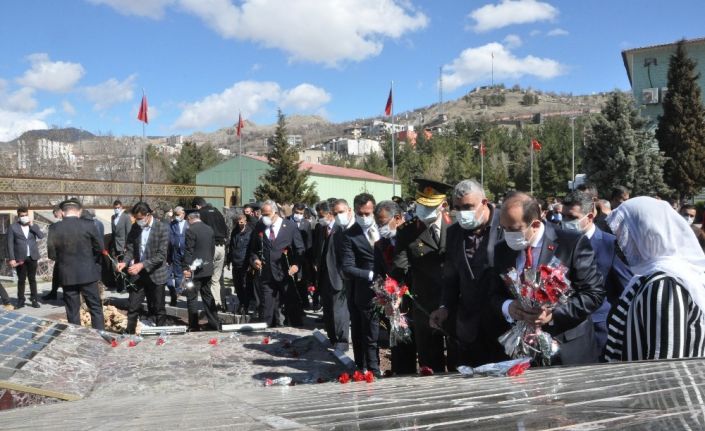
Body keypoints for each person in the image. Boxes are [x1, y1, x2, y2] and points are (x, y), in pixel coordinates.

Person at [490, 192, 605, 365]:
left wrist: (552, 315)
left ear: (535, 224)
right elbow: (493, 293)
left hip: (568, 350)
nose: (507, 235)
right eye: (503, 228)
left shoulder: (571, 243)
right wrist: (508, 307)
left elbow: (593, 294)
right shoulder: (502, 249)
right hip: (522, 352)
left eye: (513, 229)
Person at [604, 197, 705, 361]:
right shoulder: (651, 275)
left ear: (647, 234)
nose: (620, 244)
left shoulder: (664, 284)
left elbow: (665, 365)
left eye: (625, 235)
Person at [429, 179, 508, 367]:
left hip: (503, 325)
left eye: (468, 206)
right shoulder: (455, 232)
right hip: (469, 326)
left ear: (484, 202)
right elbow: (451, 277)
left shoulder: (506, 227)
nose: (463, 213)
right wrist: (444, 306)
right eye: (458, 208)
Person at [392, 179, 456, 372]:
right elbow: (399, 268)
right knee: (429, 362)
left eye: (430, 206)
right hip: (424, 304)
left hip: (455, 302)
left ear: (442, 205)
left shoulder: (456, 225)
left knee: (458, 360)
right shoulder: (407, 231)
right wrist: (393, 294)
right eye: (421, 205)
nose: (424, 210)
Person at [561, 191, 632, 354]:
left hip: (598, 329)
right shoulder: (558, 242)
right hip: (564, 328)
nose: (565, 222)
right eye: (563, 217)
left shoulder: (610, 244)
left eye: (572, 218)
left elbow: (626, 288)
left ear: (590, 217)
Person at [339, 193, 382, 376]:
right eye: (360, 213)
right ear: (355, 211)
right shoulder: (350, 235)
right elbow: (347, 267)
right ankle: (372, 369)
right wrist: (370, 274)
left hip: (392, 288)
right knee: (369, 333)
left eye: (368, 213)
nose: (364, 217)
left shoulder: (383, 226)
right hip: (366, 291)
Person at [47, 198, 104, 329]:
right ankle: (100, 338)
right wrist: (89, 261)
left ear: (62, 212)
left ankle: (76, 339)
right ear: (79, 212)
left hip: (67, 275)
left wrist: (65, 260)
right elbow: (99, 248)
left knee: (72, 312)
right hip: (88, 274)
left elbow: (52, 254)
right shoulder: (89, 225)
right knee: (95, 308)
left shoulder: (54, 228)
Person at [374, 200, 417, 374]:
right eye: (377, 223)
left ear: (398, 218)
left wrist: (405, 291)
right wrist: (384, 296)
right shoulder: (380, 245)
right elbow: (377, 275)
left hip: (418, 302)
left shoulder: (415, 237)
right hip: (396, 308)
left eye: (382, 223)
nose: (380, 227)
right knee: (400, 351)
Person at [249, 200, 304, 327]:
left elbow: (300, 248)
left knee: (292, 304)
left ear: (275, 212)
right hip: (267, 274)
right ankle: (267, 330)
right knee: (267, 306)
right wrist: (255, 259)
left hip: (285, 272)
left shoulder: (290, 227)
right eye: (262, 214)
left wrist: (296, 265)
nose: (264, 217)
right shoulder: (260, 226)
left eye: (267, 214)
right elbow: (253, 249)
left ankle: (296, 329)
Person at [117, 202, 169, 333]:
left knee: (159, 308)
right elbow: (130, 249)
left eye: (140, 218)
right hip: (138, 275)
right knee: (133, 306)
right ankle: (129, 333)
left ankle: (160, 334)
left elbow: (161, 255)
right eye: (135, 218)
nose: (137, 221)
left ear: (148, 215)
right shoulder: (135, 227)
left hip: (156, 273)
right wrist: (124, 262)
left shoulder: (162, 228)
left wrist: (142, 265)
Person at [313, 200, 350, 351]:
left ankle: (342, 341)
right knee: (328, 309)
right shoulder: (321, 229)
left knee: (339, 310)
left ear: (329, 214)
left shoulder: (341, 229)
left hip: (337, 276)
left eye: (321, 215)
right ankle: (332, 337)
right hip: (323, 276)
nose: (319, 218)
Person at [182, 210, 219, 331]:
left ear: (189, 219)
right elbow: (212, 249)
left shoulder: (191, 230)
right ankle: (214, 323)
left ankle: (193, 325)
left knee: (192, 297)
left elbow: (189, 251)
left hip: (194, 270)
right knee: (207, 296)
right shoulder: (209, 229)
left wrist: (186, 268)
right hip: (207, 268)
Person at [193, 196, 229, 312]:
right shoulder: (218, 212)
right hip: (222, 247)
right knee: (216, 279)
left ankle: (211, 307)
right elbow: (226, 229)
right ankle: (219, 303)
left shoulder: (201, 213)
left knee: (207, 278)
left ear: (198, 206)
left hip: (210, 247)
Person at [7, 206, 44, 308]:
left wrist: (32, 225)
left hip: (32, 256)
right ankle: (21, 300)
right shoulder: (13, 227)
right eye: (22, 215)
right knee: (21, 280)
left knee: (32, 279)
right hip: (20, 257)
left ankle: (34, 299)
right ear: (18, 216)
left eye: (26, 215)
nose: (24, 217)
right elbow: (10, 244)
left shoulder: (33, 226)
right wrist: (12, 258)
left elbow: (41, 236)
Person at [290, 202, 315, 310]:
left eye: (301, 213)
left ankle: (303, 304)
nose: (298, 215)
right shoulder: (286, 221)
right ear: (293, 211)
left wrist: (309, 260)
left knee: (302, 282)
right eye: (296, 212)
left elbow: (309, 242)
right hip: (289, 255)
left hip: (302, 257)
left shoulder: (306, 224)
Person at [228, 212, 253, 315]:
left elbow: (251, 249)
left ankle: (245, 305)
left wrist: (250, 263)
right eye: (239, 222)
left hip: (244, 263)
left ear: (246, 222)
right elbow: (231, 246)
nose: (240, 224)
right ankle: (241, 302)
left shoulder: (250, 232)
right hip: (235, 262)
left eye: (242, 222)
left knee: (244, 285)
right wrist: (229, 260)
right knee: (237, 285)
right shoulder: (235, 232)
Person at [167, 206, 188, 306]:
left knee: (188, 273)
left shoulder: (188, 224)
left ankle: (182, 290)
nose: (176, 217)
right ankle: (176, 292)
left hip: (186, 252)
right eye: (175, 215)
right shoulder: (172, 224)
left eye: (178, 215)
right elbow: (169, 237)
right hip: (175, 252)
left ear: (183, 214)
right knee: (177, 274)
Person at [42, 206, 64, 301]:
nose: (55, 216)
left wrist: (52, 255)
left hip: (61, 255)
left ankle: (56, 293)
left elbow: (50, 243)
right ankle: (54, 292)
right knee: (57, 274)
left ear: (60, 212)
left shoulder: (54, 227)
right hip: (63, 255)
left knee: (61, 274)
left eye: (55, 214)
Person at [110, 200, 132, 292]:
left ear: (121, 207)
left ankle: (125, 286)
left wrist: (127, 246)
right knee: (115, 266)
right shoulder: (113, 217)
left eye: (118, 207)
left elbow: (129, 232)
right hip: (115, 246)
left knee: (124, 267)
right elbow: (113, 233)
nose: (116, 209)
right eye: (115, 208)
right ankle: (119, 286)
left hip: (123, 246)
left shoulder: (126, 217)